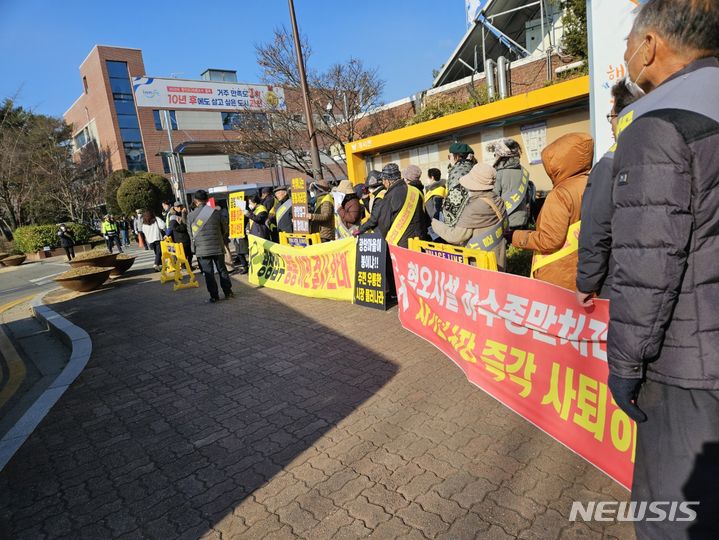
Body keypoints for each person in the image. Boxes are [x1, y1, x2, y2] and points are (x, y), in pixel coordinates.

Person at [603, 2, 719, 538]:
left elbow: (648, 265)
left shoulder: (658, 122)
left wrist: (625, 363)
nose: (625, 54)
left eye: (629, 41)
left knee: (672, 516)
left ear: (650, 45)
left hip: (688, 365)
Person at [575, 80, 638, 305]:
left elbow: (596, 229)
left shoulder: (609, 163)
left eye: (611, 117)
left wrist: (587, 282)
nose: (611, 125)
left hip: (618, 280)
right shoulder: (666, 150)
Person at [506, 132, 593, 290]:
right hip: (582, 265)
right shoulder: (592, 182)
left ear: (557, 163)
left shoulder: (560, 194)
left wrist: (515, 236)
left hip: (557, 270)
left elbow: (549, 240)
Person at [432, 163, 508, 270]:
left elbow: (455, 236)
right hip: (499, 258)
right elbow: (505, 225)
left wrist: (435, 224)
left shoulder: (473, 208)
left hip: (480, 263)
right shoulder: (498, 200)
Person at [358, 163, 427, 248]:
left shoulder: (389, 196)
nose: (383, 182)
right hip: (420, 241)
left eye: (384, 180)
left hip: (402, 244)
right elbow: (425, 218)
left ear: (388, 180)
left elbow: (384, 224)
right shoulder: (416, 191)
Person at [189, 189, 234, 303]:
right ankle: (228, 292)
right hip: (217, 246)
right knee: (222, 269)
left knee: (208, 273)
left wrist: (193, 248)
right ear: (207, 200)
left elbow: (191, 234)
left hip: (202, 249)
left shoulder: (191, 216)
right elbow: (225, 229)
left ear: (195, 201)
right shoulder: (215, 212)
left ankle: (214, 296)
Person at [491, 138, 531, 230]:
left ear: (500, 155)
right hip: (523, 218)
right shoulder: (523, 171)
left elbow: (494, 197)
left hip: (506, 220)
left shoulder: (499, 173)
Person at [442, 142, 477, 227]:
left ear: (456, 156)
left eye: (449, 156)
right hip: (477, 213)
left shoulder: (457, 172)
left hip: (464, 220)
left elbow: (455, 200)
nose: (449, 159)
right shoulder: (474, 167)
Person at [168, 201, 193, 267]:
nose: (180, 208)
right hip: (179, 238)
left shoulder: (183, 213)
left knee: (189, 253)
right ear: (174, 208)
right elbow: (174, 227)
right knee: (184, 254)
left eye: (181, 206)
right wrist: (184, 227)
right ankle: (185, 266)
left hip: (186, 237)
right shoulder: (173, 216)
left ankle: (189, 266)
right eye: (178, 207)